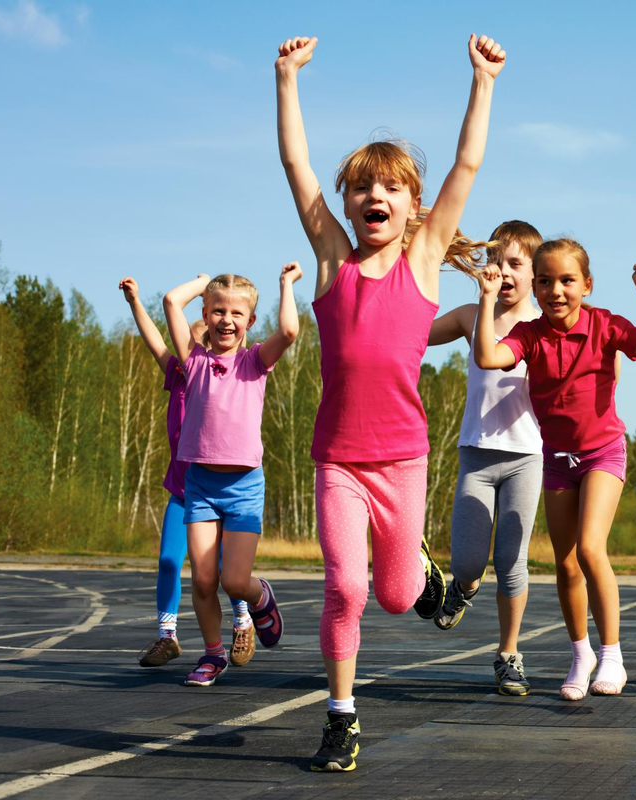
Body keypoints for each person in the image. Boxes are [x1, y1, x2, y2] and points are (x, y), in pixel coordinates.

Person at [275, 32, 506, 771]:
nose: (375, 196)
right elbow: (296, 167)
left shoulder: (424, 260)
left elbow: (467, 164)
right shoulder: (332, 262)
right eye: (361, 188)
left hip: (403, 461)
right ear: (347, 204)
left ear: (412, 208)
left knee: (399, 598)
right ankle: (341, 718)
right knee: (345, 587)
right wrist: (287, 79)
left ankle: (423, 574)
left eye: (391, 188)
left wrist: (483, 81)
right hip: (339, 461)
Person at [473, 239, 636, 700]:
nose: (556, 291)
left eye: (567, 280)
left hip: (603, 452)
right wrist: (486, 299)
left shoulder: (604, 324)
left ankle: (612, 655)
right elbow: (487, 357)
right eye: (545, 281)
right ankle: (581, 655)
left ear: (587, 284)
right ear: (535, 288)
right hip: (557, 460)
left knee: (589, 548)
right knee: (565, 565)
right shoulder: (529, 334)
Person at [162, 264, 302, 686]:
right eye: (218, 311)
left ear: (250, 321)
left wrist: (286, 285)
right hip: (201, 486)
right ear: (205, 315)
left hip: (243, 488)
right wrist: (203, 284)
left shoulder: (254, 361)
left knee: (235, 581)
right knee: (204, 580)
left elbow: (289, 332)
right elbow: (171, 301)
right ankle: (213, 654)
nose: (226, 320)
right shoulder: (193, 360)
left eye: (236, 313)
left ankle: (261, 598)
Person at [428, 220, 544, 696]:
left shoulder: (547, 326)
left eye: (515, 263)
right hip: (476, 456)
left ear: (536, 273)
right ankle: (463, 586)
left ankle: (508, 655)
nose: (503, 271)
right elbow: (414, 334)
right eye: (495, 261)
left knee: (512, 562)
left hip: (526, 458)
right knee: (470, 564)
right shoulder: (471, 316)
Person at [121, 278, 254, 669]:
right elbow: (154, 339)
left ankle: (243, 620)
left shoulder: (224, 376)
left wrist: (209, 291)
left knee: (225, 571)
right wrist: (134, 302)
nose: (189, 347)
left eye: (198, 342)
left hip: (221, 492)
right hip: (183, 492)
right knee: (168, 562)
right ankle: (167, 636)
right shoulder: (178, 375)